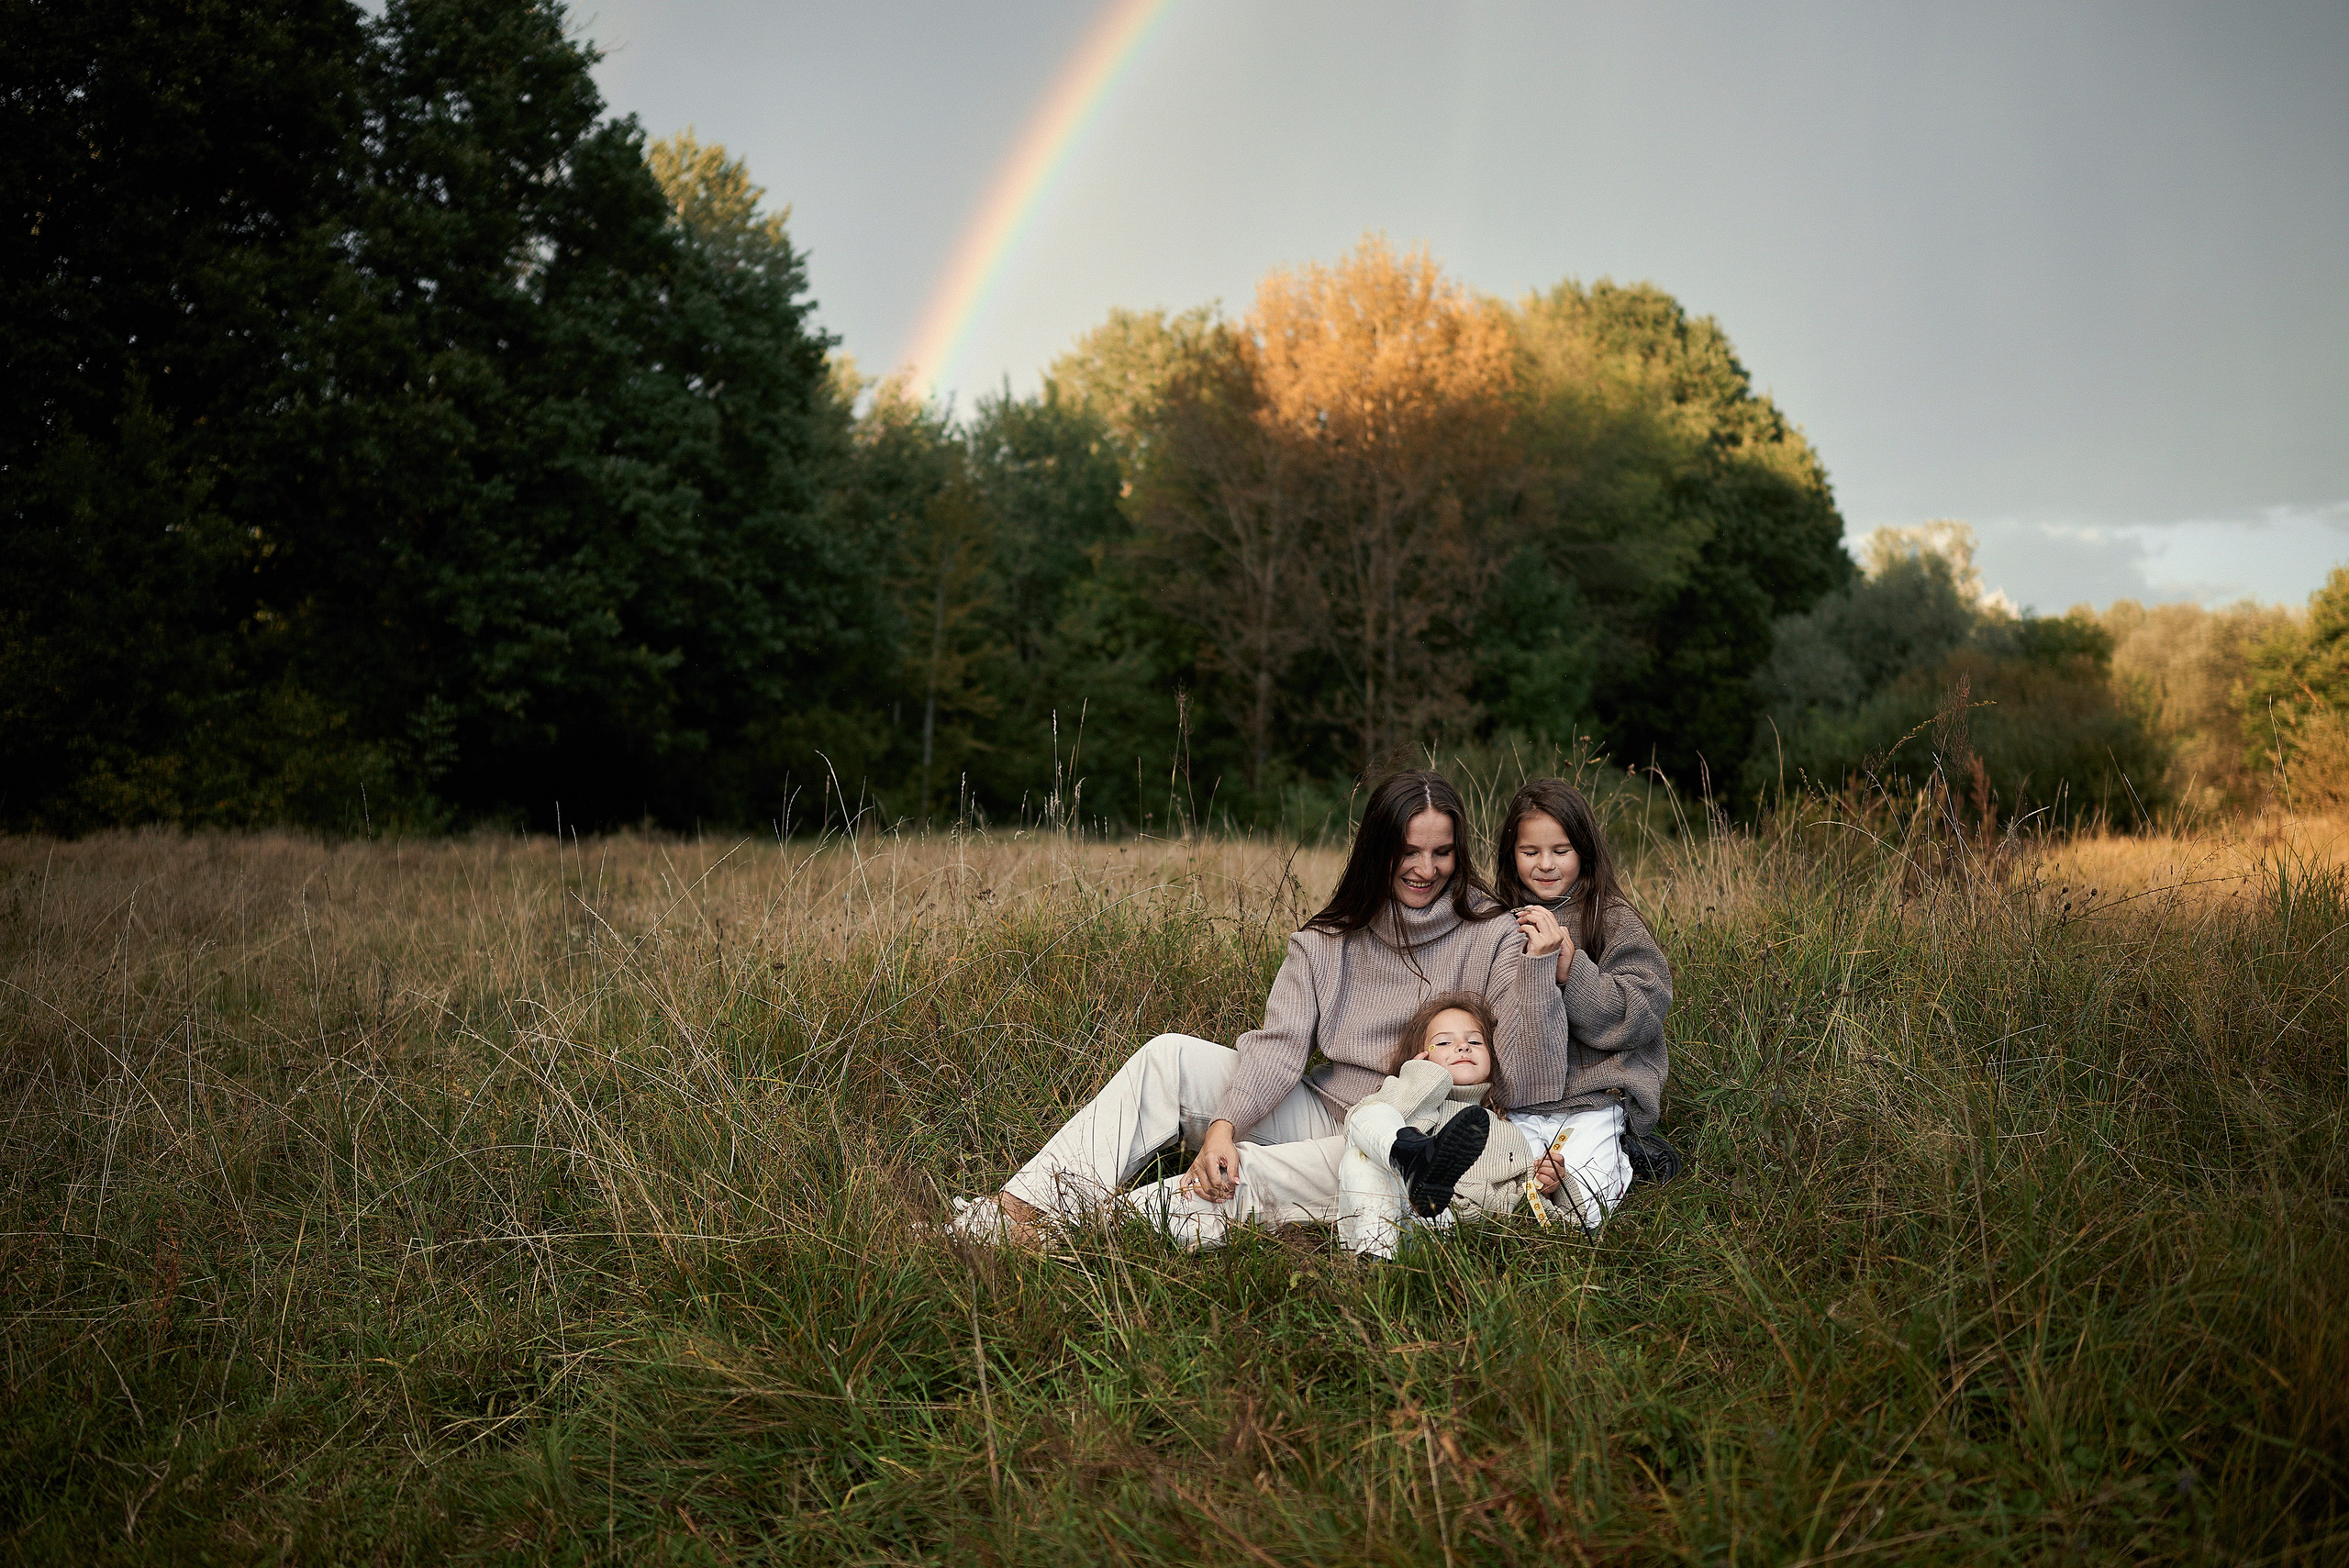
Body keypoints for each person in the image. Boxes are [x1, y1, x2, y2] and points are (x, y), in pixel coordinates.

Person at [948, 769, 1568, 1248]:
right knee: (1169, 1057)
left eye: (1442, 852)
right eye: (1409, 850)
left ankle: (1070, 1240)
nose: (1425, 868)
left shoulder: (1492, 932)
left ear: (1460, 852)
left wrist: (1539, 972)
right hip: (1325, 1107)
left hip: (1403, 1138)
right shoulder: (1330, 937)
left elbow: (1531, 1078)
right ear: (1378, 849)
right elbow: (1278, 1046)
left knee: (1236, 1180)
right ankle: (1007, 1216)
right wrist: (1225, 1123)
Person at [1494, 779, 1676, 1229]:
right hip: (1516, 1102)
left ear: (1585, 851)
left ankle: (1627, 1154)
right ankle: (1546, 1176)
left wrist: (1573, 972)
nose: (1545, 865)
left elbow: (1643, 1012)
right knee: (1493, 1197)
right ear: (1510, 855)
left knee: (1585, 1208)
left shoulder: (1611, 918)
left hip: (1595, 1098)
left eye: (1561, 850)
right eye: (1530, 852)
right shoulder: (1496, 922)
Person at [1334, 990, 1546, 1259]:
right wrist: (1420, 1079)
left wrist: (1547, 1186)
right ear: (1419, 1058)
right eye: (1443, 1043)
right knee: (1362, 1142)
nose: (1463, 1047)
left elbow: (1516, 1201)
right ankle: (1377, 1261)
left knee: (1364, 1140)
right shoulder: (1407, 1099)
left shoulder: (1502, 1130)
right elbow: (1359, 1125)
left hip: (1444, 1225)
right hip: (1396, 1215)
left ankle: (1375, 1265)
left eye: (1475, 1041)